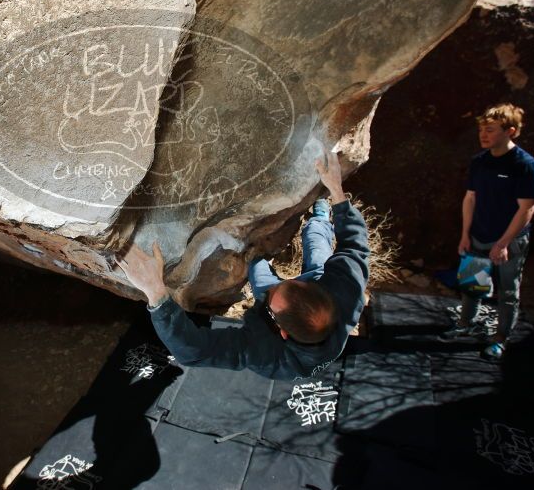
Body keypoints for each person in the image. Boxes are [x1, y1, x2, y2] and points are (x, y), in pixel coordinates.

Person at [116, 152, 370, 380]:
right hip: (315, 289)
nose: (274, 288)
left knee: (259, 273)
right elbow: (355, 246)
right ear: (312, 286)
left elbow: (193, 351)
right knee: (317, 241)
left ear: (280, 331)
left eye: (270, 300)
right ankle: (320, 212)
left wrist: (157, 294)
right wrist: (336, 191)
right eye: (287, 284)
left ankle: (258, 260)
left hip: (292, 326)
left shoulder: (266, 355)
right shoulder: (346, 288)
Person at [446, 103, 534, 360]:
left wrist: (504, 243)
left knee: (508, 291)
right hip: (478, 235)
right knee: (472, 285)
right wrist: (465, 234)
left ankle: (501, 338)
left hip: (511, 241)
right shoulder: (480, 162)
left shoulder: (525, 165)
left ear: (510, 131)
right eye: (481, 130)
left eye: (490, 130)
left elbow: (527, 209)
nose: (483, 135)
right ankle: (465, 324)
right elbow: (470, 198)